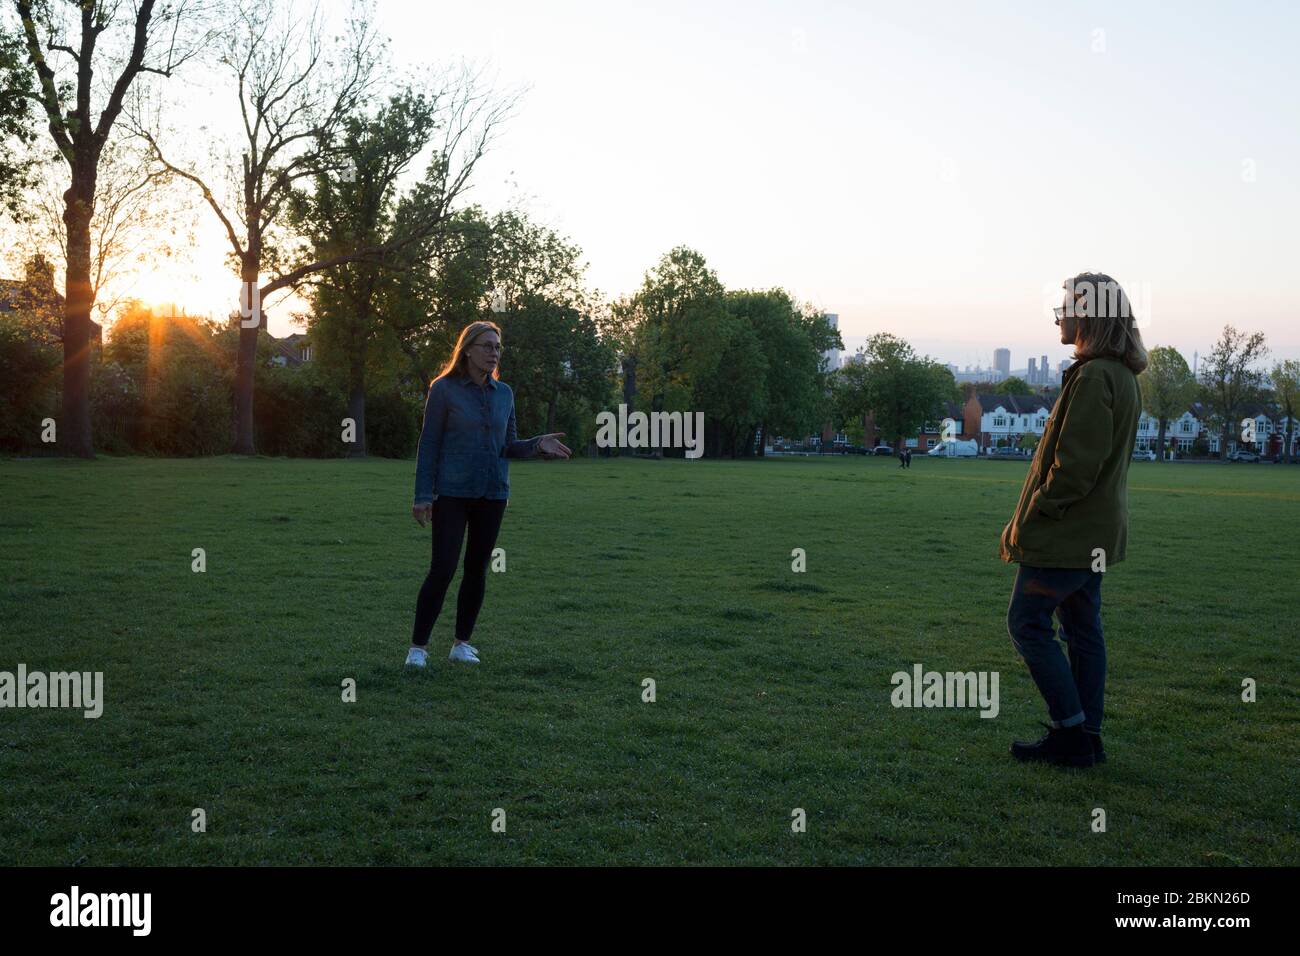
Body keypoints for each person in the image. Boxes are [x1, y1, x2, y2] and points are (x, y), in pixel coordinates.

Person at [1000, 273, 1146, 767]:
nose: (1060, 316)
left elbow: (1074, 468)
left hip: (1068, 536)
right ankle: (1089, 736)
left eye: (1065, 307)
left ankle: (1071, 734)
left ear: (1089, 314)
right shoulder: (1120, 375)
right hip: (1097, 536)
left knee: (1026, 623)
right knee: (1083, 628)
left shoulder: (1092, 377)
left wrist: (1039, 510)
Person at [405, 321, 571, 667]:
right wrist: (423, 494)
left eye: (497, 347)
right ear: (467, 350)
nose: (494, 353)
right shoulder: (444, 390)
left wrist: (538, 444)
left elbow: (508, 445)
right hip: (451, 493)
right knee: (443, 568)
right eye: (487, 346)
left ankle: (461, 644)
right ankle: (418, 649)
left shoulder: (505, 394)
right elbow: (429, 444)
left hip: (493, 494)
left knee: (477, 569)